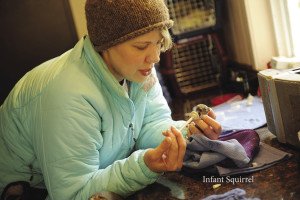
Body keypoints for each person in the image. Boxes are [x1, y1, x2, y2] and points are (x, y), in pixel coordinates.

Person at [0, 0, 221, 199]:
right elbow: (74, 192)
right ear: (107, 43)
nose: (154, 57)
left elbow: (150, 124)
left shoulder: (137, 67)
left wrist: (187, 134)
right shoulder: (68, 95)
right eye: (141, 46)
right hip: (25, 192)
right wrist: (144, 166)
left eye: (158, 43)